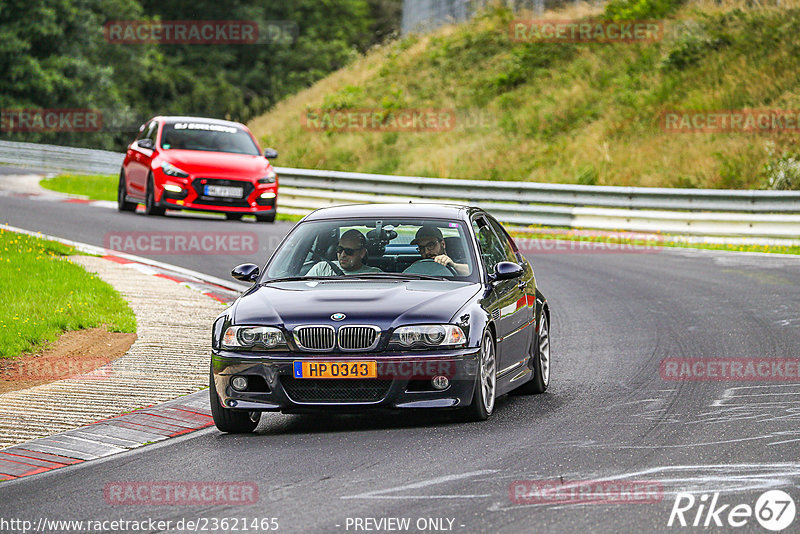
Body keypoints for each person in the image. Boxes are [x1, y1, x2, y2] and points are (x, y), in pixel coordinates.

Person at [306, 229, 382, 276]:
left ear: (362, 253)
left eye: (349, 251)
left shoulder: (375, 274)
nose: (343, 255)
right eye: (339, 249)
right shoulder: (321, 268)